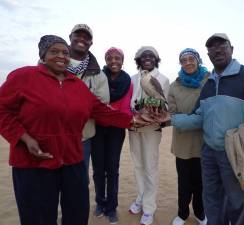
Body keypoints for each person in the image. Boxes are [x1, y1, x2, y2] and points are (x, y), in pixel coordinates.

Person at [0, 35, 147, 225]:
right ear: (43, 55)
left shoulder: (77, 85)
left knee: (77, 214)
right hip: (33, 162)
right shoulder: (23, 76)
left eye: (65, 53)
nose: (61, 56)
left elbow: (101, 111)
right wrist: (24, 138)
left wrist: (135, 120)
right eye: (54, 51)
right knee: (38, 217)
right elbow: (3, 110)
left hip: (72, 160)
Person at [152, 33, 244, 225]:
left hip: (236, 155)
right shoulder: (210, 84)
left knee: (237, 204)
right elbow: (199, 117)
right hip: (209, 154)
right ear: (208, 54)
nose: (217, 49)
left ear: (232, 49)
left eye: (222, 45)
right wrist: (170, 118)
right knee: (212, 202)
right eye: (212, 47)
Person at [129, 46, 170, 225]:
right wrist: (136, 110)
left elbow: (166, 104)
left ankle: (149, 208)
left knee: (150, 167)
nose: (147, 58)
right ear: (138, 59)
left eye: (151, 56)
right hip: (133, 127)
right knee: (138, 166)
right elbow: (129, 102)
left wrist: (155, 112)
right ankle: (141, 197)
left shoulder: (163, 79)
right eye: (143, 56)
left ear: (156, 59)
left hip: (152, 129)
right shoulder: (131, 79)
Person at [91, 47, 133, 224]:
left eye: (118, 58)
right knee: (98, 169)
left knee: (112, 169)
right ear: (105, 60)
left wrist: (108, 112)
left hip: (117, 129)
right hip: (98, 128)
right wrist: (105, 112)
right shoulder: (98, 77)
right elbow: (93, 101)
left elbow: (125, 108)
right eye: (110, 58)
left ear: (123, 60)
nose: (114, 61)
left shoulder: (127, 81)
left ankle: (112, 206)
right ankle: (100, 203)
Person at [169, 48, 208, 225]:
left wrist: (185, 120)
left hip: (204, 142)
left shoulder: (209, 81)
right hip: (182, 143)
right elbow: (172, 113)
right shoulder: (175, 85)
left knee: (201, 183)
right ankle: (182, 214)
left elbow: (211, 110)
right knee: (183, 182)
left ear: (198, 60)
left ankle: (200, 213)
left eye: (191, 59)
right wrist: (193, 119)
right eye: (183, 60)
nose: (188, 63)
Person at [67, 24, 110, 177]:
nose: (82, 39)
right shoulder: (52, 62)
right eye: (78, 35)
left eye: (86, 37)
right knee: (49, 183)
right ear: (70, 37)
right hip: (51, 134)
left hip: (82, 137)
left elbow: (101, 105)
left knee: (78, 181)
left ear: (91, 43)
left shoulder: (98, 74)